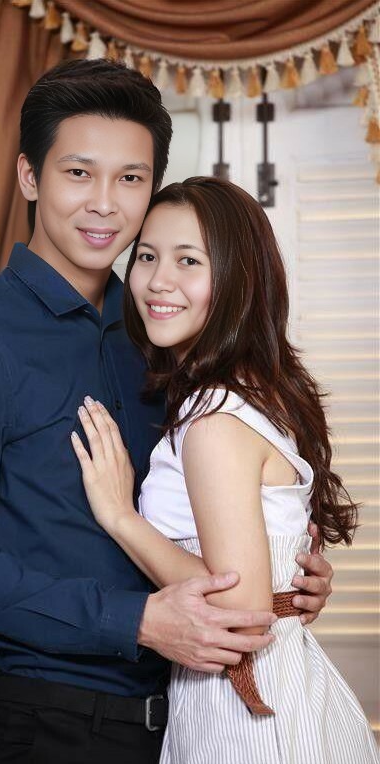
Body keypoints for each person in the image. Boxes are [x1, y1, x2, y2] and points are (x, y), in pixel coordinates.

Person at [0, 61, 333, 764]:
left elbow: (212, 507)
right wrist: (134, 621)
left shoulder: (160, 332)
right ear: (30, 177)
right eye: (78, 173)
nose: (104, 204)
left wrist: (287, 582)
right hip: (48, 726)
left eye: (131, 178)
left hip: (187, 717)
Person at [71, 176, 379, 764]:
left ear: (239, 279)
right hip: (278, 689)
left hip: (242, 713)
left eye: (188, 260)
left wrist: (119, 516)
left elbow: (240, 614)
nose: (159, 280)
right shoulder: (255, 394)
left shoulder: (213, 419)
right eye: (146, 256)